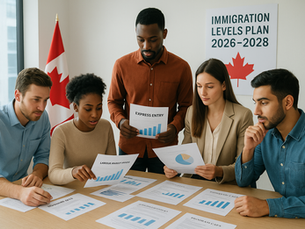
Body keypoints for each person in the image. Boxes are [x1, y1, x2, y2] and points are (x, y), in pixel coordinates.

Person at [107, 8, 193, 174]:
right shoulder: (121, 65)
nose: (146, 46)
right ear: (135, 33)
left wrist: (175, 127)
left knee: (164, 197)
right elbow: (113, 102)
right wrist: (120, 122)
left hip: (164, 150)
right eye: (140, 39)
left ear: (164, 33)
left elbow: (187, 107)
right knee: (126, 197)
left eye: (153, 40)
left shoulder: (181, 68)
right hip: (129, 148)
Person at [164, 59, 253, 184]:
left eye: (209, 86)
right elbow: (185, 153)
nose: (202, 92)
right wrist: (173, 167)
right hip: (195, 181)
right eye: (199, 86)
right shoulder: (191, 112)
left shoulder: (242, 115)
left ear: (223, 85)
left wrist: (219, 171)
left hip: (225, 185)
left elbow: (242, 166)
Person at [234, 69, 305, 218]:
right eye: (255, 103)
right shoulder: (266, 134)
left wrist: (268, 206)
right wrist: (248, 149)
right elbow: (244, 181)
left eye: (264, 103)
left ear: (287, 102)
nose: (256, 111)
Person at [48, 74, 116, 185]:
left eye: (99, 108)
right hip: (73, 191)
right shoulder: (61, 132)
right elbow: (53, 174)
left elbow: (112, 165)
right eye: (88, 109)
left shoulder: (106, 126)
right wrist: (73, 172)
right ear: (75, 107)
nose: (95, 114)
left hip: (99, 188)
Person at [0, 67, 53, 206]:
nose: (42, 107)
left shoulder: (42, 118)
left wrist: (37, 174)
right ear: (18, 95)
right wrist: (19, 193)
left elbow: (43, 156)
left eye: (45, 100)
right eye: (36, 100)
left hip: (23, 194)